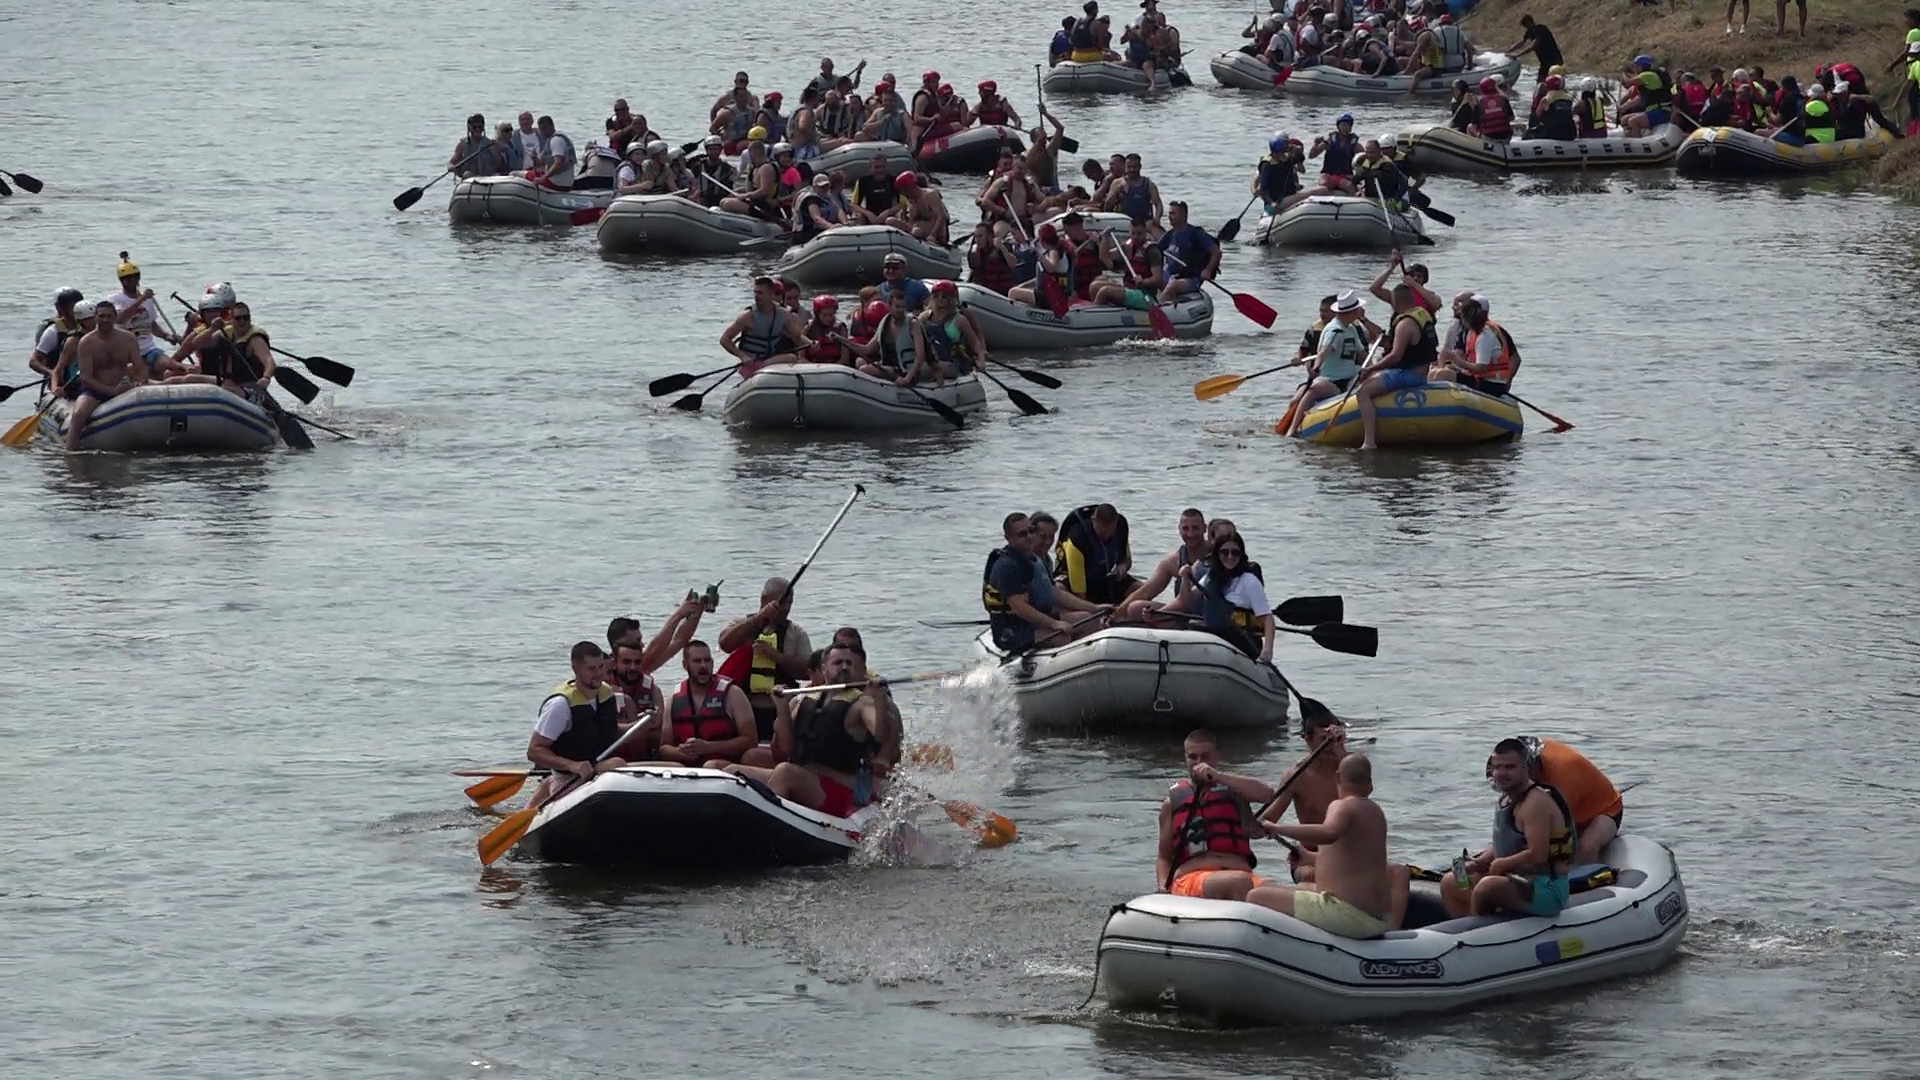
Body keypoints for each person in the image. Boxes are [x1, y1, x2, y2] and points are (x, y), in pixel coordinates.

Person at [726, 645, 888, 818]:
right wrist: (781, 707)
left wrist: (879, 700)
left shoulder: (862, 703)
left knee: (785, 773)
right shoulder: (803, 700)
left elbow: (879, 733)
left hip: (838, 789)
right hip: (803, 779)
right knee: (729, 771)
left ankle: (770, 827)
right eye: (838, 662)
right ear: (824, 668)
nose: (844, 667)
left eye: (849, 663)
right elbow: (784, 747)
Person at [1440, 738, 1576, 918]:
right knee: (1450, 882)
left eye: (1509, 767)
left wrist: (1501, 864)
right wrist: (1479, 863)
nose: (1501, 773)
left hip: (1546, 887)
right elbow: (1506, 843)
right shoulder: (1506, 799)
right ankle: (1465, 934)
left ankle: (1476, 936)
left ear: (1525, 768)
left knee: (1486, 887)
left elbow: (1539, 855)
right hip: (1516, 878)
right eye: (1496, 767)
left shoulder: (1535, 803)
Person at [1156, 729, 1275, 898]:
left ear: (1216, 757)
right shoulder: (1171, 803)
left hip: (1243, 876)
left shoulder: (1236, 789)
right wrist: (1162, 888)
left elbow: (1267, 794)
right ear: (1185, 758)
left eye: (1205, 756)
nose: (1199, 762)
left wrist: (1218, 776)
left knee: (1286, 893)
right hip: (1192, 879)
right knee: (1238, 882)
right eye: (1193, 757)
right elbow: (1164, 857)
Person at [525, 642, 639, 803]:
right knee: (617, 763)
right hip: (569, 779)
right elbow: (534, 751)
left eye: (601, 667)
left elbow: (611, 731)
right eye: (592, 669)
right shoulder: (560, 705)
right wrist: (572, 765)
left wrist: (638, 726)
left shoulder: (606, 693)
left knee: (673, 765)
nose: (599, 673)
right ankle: (548, 788)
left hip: (597, 770)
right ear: (576, 669)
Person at [983, 511, 1110, 651]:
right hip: (1012, 629)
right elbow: (1019, 607)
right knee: (1061, 637)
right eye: (1022, 534)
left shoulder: (1036, 559)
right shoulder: (1007, 566)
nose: (1029, 537)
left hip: (1036, 622)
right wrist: (1053, 623)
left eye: (1031, 531)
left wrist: (1093, 608)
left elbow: (1055, 593)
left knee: (1089, 619)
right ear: (1008, 538)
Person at [717, 577, 814, 743]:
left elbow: (809, 671)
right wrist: (757, 619)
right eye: (781, 603)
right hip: (745, 707)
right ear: (764, 599)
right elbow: (725, 643)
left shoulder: (796, 633)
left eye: (789, 603)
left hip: (781, 708)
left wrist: (778, 657)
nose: (785, 609)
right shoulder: (742, 625)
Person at [1348, 283, 1439, 451]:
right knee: (1371, 379)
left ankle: (1369, 442)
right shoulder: (1423, 314)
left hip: (1409, 374)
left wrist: (1370, 369)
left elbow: (1396, 356)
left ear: (1395, 302)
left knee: (1363, 392)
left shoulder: (1405, 324)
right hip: (1422, 370)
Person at [1285, 290, 1378, 436]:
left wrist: (1373, 369)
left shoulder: (1352, 328)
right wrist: (1316, 367)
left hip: (1351, 378)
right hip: (1331, 381)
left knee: (1370, 383)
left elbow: (1363, 355)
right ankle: (1292, 430)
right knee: (1313, 390)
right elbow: (1323, 352)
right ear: (1353, 311)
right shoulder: (1333, 330)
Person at [1521, 736, 1623, 865]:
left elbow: (1558, 829)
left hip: (1605, 809)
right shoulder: (1515, 772)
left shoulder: (1563, 778)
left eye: (1526, 769)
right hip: (1574, 806)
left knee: (1587, 848)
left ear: (1535, 763)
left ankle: (1596, 880)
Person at [655, 640, 758, 767]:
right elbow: (664, 747)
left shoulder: (733, 694)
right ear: (685, 664)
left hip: (725, 766)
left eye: (707, 660)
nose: (703, 666)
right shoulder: (674, 699)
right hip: (688, 769)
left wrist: (710, 747)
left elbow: (751, 741)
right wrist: (681, 752)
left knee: (711, 765)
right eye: (697, 661)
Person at [65, 300, 141, 449]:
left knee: (165, 385)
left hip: (123, 386)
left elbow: (140, 367)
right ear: (95, 318)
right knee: (79, 413)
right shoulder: (86, 342)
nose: (105, 320)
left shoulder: (128, 338)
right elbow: (85, 377)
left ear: (115, 317)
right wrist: (111, 391)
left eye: (109, 316)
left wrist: (140, 381)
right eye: (102, 316)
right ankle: (70, 450)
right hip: (95, 391)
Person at [1118, 508, 1210, 618]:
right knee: (1135, 607)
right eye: (1185, 528)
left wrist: (1157, 616)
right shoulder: (1172, 561)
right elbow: (1146, 592)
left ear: (1204, 528)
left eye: (1195, 528)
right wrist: (1118, 612)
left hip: (1209, 615)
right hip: (1183, 613)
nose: (1190, 534)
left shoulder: (1221, 554)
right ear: (1179, 529)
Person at [106, 253, 181, 379]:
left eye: (134, 278)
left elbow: (151, 324)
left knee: (173, 366)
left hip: (149, 349)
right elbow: (119, 319)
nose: (132, 281)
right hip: (127, 353)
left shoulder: (148, 300)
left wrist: (167, 336)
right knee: (140, 373)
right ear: (122, 281)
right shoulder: (115, 299)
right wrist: (141, 299)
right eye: (127, 279)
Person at [719, 277, 809, 372]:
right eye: (755, 292)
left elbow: (797, 337)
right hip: (751, 362)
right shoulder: (747, 316)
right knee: (791, 358)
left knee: (791, 358)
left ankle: (762, 367)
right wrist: (743, 356)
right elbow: (724, 340)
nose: (756, 296)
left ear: (771, 294)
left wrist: (811, 343)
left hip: (768, 360)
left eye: (760, 293)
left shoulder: (783, 314)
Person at [903, 280, 983, 384]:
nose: (939, 300)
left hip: (952, 365)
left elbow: (975, 342)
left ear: (951, 299)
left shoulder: (959, 320)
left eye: (944, 297)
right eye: (936, 296)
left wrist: (981, 361)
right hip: (931, 362)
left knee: (932, 367)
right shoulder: (924, 317)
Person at [1054, 502, 1136, 604]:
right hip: (1076, 582)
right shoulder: (1077, 540)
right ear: (1093, 520)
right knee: (1059, 589)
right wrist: (1093, 609)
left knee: (1141, 589)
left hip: (1105, 578)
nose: (1106, 536)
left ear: (1116, 522)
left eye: (1110, 532)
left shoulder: (1121, 527)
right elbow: (1079, 593)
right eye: (1102, 532)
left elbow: (1126, 560)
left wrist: (1122, 567)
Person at [1156, 202, 1218, 303]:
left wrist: (1208, 270)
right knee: (1154, 279)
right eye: (1169, 214)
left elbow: (1216, 252)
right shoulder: (1170, 235)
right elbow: (1156, 250)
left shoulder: (1196, 234)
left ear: (1183, 215)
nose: (1169, 217)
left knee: (1173, 286)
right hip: (1170, 273)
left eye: (1173, 214)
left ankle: (1157, 309)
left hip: (1191, 277)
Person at [29, 288, 87, 390]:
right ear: (61, 309)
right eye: (73, 307)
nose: (78, 310)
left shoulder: (90, 325)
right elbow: (34, 361)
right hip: (62, 381)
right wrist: (51, 373)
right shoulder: (53, 332)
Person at [1253, 131, 1307, 216]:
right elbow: (1263, 190)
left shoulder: (1287, 160)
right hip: (1274, 201)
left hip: (1288, 196)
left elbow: (1300, 160)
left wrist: (1298, 151)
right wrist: (1271, 203)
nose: (1281, 155)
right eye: (1279, 153)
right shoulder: (1267, 164)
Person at [1620, 56, 1675, 136]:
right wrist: (1625, 106)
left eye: (1636, 66)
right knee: (1624, 120)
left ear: (1641, 66)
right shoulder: (1647, 77)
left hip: (1660, 111)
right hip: (1652, 110)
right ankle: (1631, 136)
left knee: (1633, 121)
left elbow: (1628, 82)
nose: (1635, 69)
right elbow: (1640, 98)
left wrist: (1623, 72)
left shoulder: (1647, 75)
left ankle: (1636, 143)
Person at [1309, 113, 1361, 194]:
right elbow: (1312, 156)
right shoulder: (1329, 141)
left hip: (1345, 176)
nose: (1346, 128)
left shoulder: (1355, 144)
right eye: (1343, 125)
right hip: (1328, 174)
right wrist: (1315, 144)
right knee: (1323, 185)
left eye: (1348, 125)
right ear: (1338, 126)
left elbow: (1365, 157)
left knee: (1351, 188)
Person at [892, 171, 949, 244]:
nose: (902, 194)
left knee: (916, 231)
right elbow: (911, 223)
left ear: (909, 187)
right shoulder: (911, 202)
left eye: (903, 191)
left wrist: (933, 235)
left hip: (936, 232)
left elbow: (941, 217)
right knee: (890, 221)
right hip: (918, 230)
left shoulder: (929, 195)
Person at [1505, 15, 1562, 83]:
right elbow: (1522, 42)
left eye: (1525, 25)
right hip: (1544, 62)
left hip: (1554, 60)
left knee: (1555, 83)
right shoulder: (1530, 31)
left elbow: (1533, 46)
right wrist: (1507, 52)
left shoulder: (1541, 30)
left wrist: (1517, 55)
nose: (1525, 27)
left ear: (1530, 22)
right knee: (1540, 83)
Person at [850, 151, 899, 226]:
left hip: (888, 216)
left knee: (894, 218)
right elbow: (853, 204)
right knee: (860, 216)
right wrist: (868, 213)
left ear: (887, 166)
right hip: (870, 216)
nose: (880, 170)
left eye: (882, 166)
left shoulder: (894, 181)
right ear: (871, 168)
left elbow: (903, 204)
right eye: (876, 167)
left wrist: (887, 212)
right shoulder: (863, 181)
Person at [1468, 77, 1514, 142]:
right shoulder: (1503, 100)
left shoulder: (1479, 103)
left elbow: (1474, 125)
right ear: (1495, 87)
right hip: (1506, 136)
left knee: (1470, 127)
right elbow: (1511, 118)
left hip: (1488, 138)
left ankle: (1475, 146)